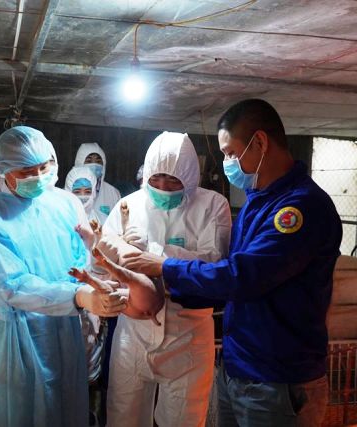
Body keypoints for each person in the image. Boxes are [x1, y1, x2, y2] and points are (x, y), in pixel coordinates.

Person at [120, 99, 343, 426]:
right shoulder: (257, 203)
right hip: (240, 366)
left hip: (277, 376)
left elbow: (244, 277)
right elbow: (232, 282)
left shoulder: (299, 208)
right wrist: (161, 291)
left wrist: (164, 267)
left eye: (230, 153)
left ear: (260, 142)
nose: (227, 163)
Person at [0, 126, 126, 427]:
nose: (38, 176)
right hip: (20, 334)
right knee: (23, 412)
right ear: (5, 171)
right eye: (27, 171)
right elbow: (13, 286)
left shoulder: (65, 203)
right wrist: (77, 296)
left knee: (65, 405)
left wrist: (94, 278)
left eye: (44, 167)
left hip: (65, 327)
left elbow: (80, 260)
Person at [102, 131, 232, 427]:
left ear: (190, 177)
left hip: (187, 335)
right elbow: (104, 261)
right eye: (156, 179)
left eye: (173, 180)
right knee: (123, 416)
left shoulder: (212, 205)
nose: (163, 187)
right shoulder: (129, 206)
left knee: (185, 419)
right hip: (133, 334)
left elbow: (215, 263)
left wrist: (154, 255)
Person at [74, 143, 121, 222]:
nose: (94, 165)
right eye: (89, 161)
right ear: (79, 163)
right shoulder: (67, 192)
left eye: (98, 161)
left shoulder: (113, 193)